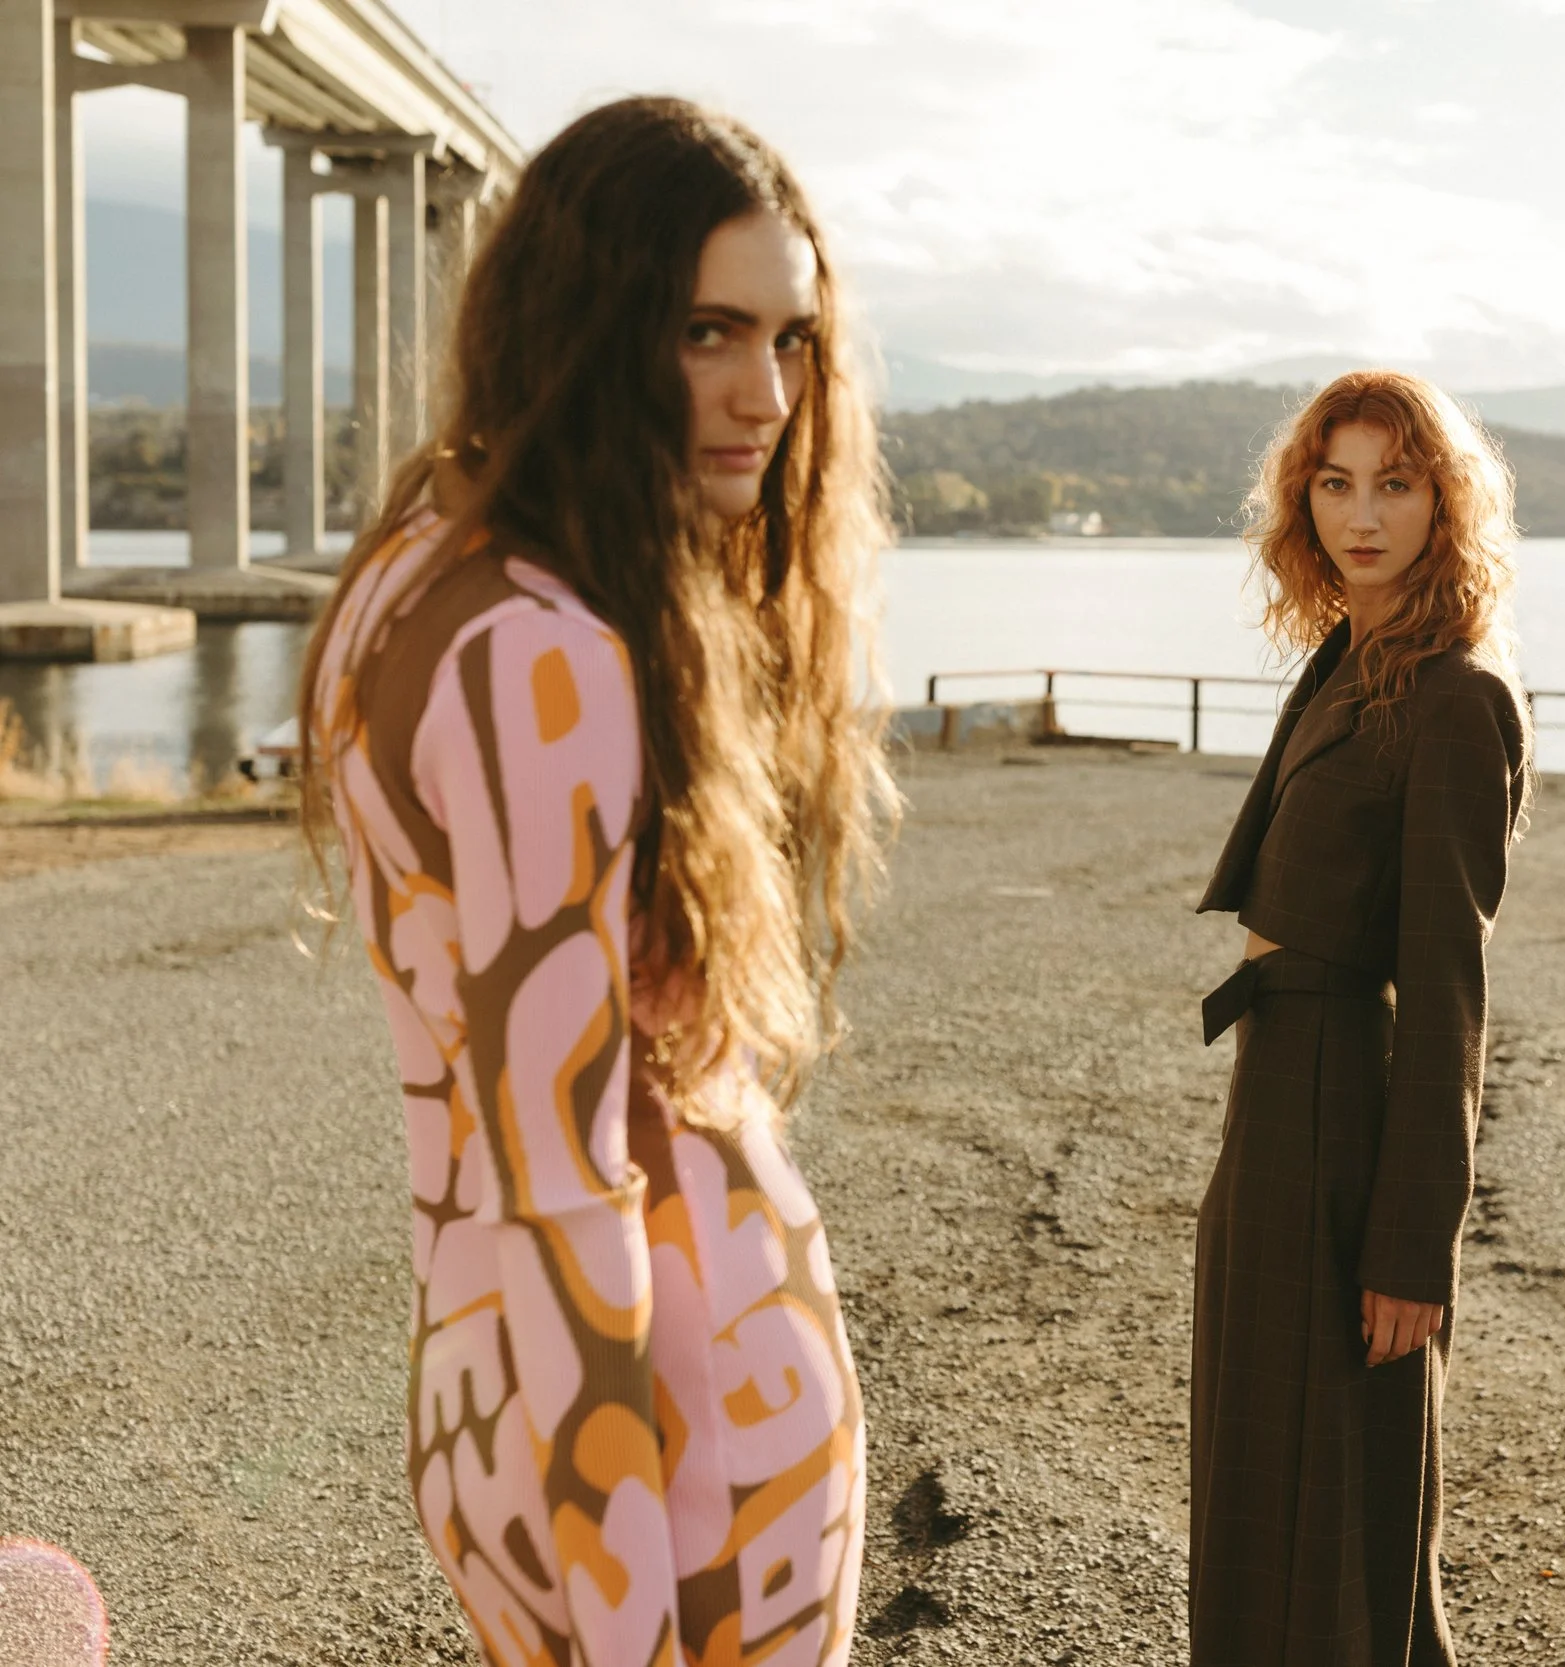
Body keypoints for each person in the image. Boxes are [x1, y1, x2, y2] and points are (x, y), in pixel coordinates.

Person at [296, 97, 895, 1667]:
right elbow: (565, 1192)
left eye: (789, 338)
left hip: (497, 1391)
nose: (767, 396)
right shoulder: (544, 656)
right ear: (586, 324)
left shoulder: (411, 568)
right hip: (667, 1437)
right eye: (707, 331)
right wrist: (627, 1615)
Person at [1193, 370, 1534, 1665]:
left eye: (1395, 482)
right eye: (1335, 483)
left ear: (1445, 500)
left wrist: (1412, 1246)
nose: (1363, 514)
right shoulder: (1354, 652)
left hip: (1349, 1101)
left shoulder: (1456, 693)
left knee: (1347, 1477)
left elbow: (1448, 987)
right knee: (1261, 1457)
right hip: (1277, 1084)